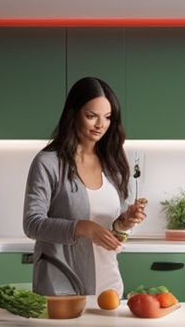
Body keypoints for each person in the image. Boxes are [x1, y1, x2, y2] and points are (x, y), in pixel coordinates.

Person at [23, 77, 147, 296]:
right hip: (62, 285)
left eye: (107, 118)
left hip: (108, 284)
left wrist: (124, 223)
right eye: (91, 116)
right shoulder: (49, 162)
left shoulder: (113, 163)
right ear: (73, 113)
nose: (101, 125)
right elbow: (32, 223)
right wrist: (81, 227)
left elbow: (111, 232)